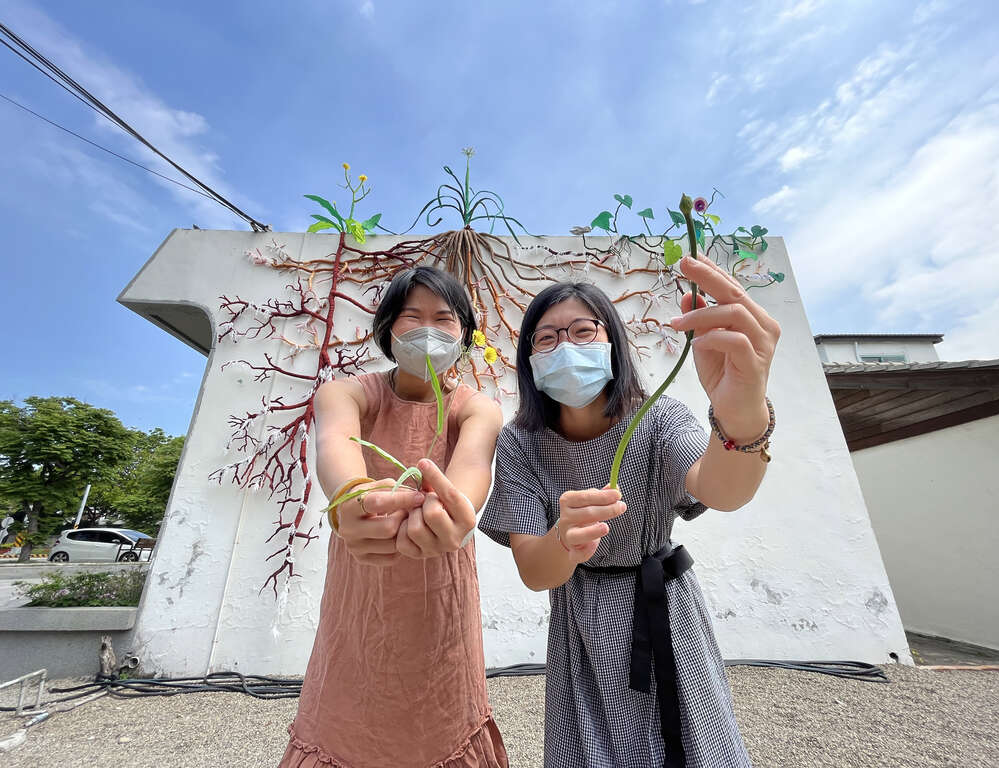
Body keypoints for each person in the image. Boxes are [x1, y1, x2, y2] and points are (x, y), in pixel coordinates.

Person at [478, 253, 781, 768]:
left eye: (581, 330)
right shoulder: (518, 445)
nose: (564, 347)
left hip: (663, 607)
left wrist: (742, 416)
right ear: (528, 361)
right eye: (546, 338)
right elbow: (535, 570)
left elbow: (721, 490)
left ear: (613, 342)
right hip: (580, 618)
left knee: (692, 746)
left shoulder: (658, 417)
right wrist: (562, 541)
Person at [280, 265, 508, 768]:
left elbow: (472, 470)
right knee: (348, 705)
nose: (428, 330)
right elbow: (335, 444)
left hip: (441, 598)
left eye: (445, 319)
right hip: (359, 595)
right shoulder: (346, 393)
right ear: (386, 329)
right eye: (411, 317)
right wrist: (354, 496)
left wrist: (453, 512)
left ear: (465, 336)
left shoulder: (477, 408)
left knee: (441, 711)